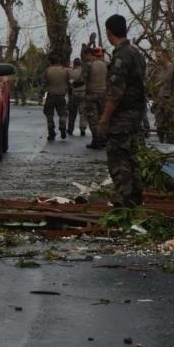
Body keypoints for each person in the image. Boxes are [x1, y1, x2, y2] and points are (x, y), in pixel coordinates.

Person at [97, 14, 146, 208]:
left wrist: (104, 119)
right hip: (136, 114)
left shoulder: (121, 56)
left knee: (118, 158)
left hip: (122, 117)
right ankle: (135, 198)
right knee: (132, 156)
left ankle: (124, 200)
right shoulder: (137, 54)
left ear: (109, 32)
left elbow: (115, 92)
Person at [151, 48, 174, 143]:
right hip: (160, 101)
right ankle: (161, 143)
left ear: (165, 57)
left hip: (170, 101)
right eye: (156, 56)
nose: (156, 59)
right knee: (160, 126)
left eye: (158, 57)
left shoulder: (173, 67)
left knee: (171, 127)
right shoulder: (160, 70)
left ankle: (171, 144)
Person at [83, 46, 108, 150]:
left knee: (92, 118)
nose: (84, 57)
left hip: (91, 94)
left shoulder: (89, 65)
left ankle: (96, 140)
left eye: (85, 55)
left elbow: (82, 78)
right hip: (103, 94)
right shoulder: (106, 65)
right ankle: (103, 139)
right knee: (102, 118)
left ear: (90, 54)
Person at [43, 53, 69, 141]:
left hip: (51, 95)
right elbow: (68, 82)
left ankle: (51, 132)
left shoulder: (48, 70)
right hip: (61, 95)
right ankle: (62, 124)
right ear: (59, 61)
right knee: (63, 113)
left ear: (50, 61)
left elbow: (44, 83)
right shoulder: (64, 71)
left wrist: (41, 94)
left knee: (49, 114)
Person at [67, 58, 86, 136]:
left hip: (74, 94)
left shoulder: (71, 73)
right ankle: (82, 129)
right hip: (83, 94)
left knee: (72, 112)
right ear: (80, 64)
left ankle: (70, 129)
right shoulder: (84, 72)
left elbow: (69, 84)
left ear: (74, 64)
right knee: (83, 112)